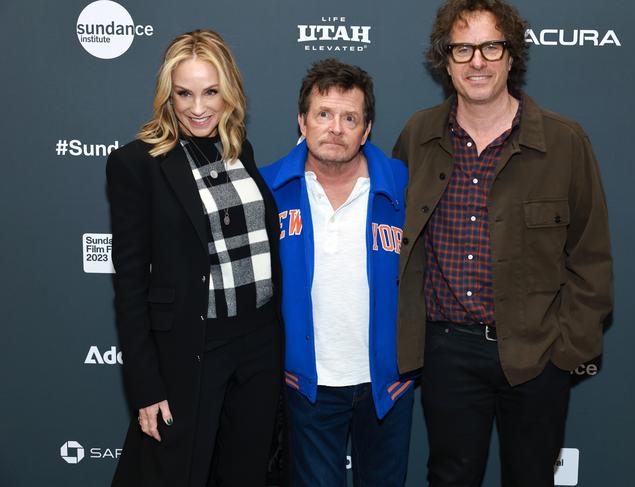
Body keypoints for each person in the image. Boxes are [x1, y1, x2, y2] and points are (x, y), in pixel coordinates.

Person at [393, 1, 613, 486]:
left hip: (537, 354)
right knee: (449, 478)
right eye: (463, 48)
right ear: (444, 60)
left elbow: (591, 259)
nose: (477, 61)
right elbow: (394, 244)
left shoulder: (564, 142)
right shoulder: (417, 137)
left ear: (512, 56)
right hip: (446, 351)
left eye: (491, 46)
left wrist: (566, 354)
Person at [107, 29, 283, 487]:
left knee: (244, 474)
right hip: (193, 349)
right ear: (168, 95)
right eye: (184, 93)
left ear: (229, 92)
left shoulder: (238, 149)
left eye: (210, 92)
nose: (198, 107)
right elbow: (129, 284)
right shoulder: (137, 163)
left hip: (259, 345)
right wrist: (145, 387)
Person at [261, 58, 414, 487]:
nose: (335, 127)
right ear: (302, 122)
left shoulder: (402, 185)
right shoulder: (268, 188)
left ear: (366, 130)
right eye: (323, 114)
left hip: (387, 385)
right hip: (306, 385)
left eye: (350, 118)